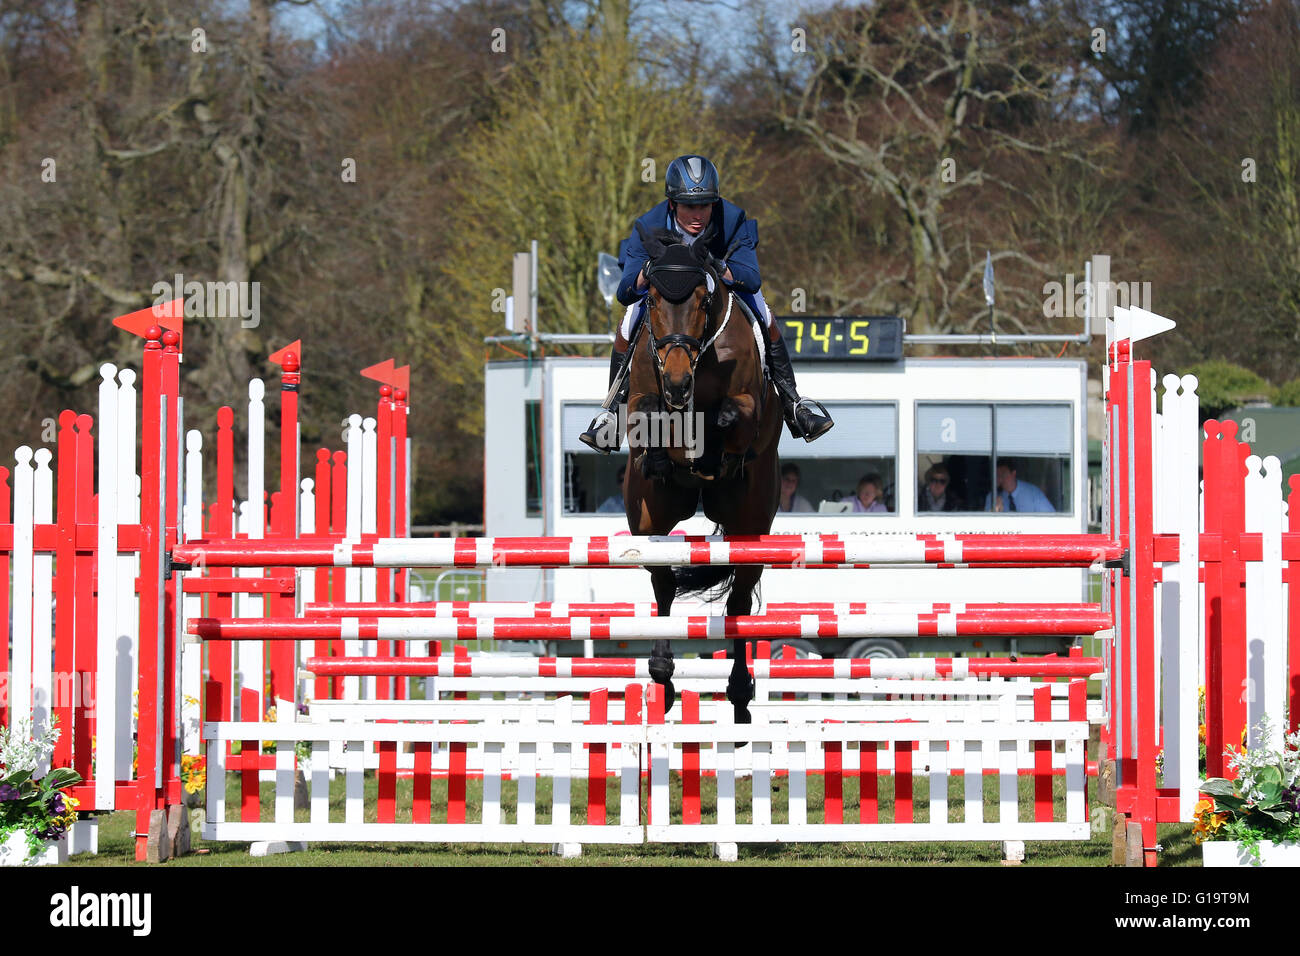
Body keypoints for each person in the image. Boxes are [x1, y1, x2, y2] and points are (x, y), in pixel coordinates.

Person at [579, 154, 834, 452]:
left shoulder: (732, 220)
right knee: (628, 320)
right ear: (673, 204)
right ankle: (611, 413)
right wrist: (646, 273)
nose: (698, 215)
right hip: (666, 291)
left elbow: (751, 279)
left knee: (764, 314)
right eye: (689, 206)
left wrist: (716, 263)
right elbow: (625, 291)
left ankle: (794, 404)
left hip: (719, 282)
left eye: (705, 205)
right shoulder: (648, 226)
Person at [984, 459, 1055, 512]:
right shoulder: (992, 497)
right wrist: (994, 510)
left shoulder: (1033, 493)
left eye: (1003, 475)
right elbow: (985, 523)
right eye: (998, 476)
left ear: (1013, 474)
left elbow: (1051, 517)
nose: (1001, 479)